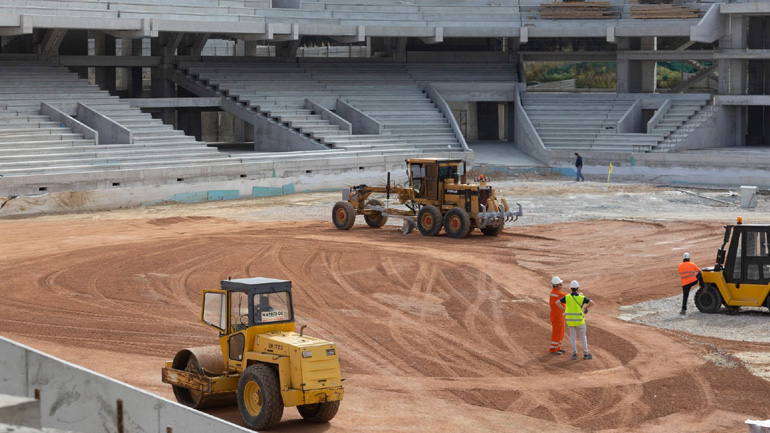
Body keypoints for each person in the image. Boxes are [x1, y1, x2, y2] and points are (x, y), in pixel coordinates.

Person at [558, 280, 595, 360]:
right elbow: (592, 303)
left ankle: (574, 354)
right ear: (578, 288)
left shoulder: (567, 297)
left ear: (571, 288)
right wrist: (585, 308)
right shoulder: (581, 297)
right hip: (580, 321)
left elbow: (557, 302)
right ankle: (585, 354)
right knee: (583, 337)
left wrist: (564, 310)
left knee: (572, 337)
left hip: (570, 321)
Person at [548, 276, 567, 355]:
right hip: (557, 316)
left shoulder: (554, 292)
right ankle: (553, 349)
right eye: (560, 284)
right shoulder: (558, 294)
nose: (561, 285)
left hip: (559, 315)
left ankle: (557, 347)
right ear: (556, 285)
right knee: (557, 332)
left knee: (560, 332)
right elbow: (568, 297)